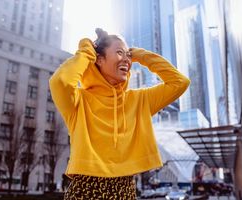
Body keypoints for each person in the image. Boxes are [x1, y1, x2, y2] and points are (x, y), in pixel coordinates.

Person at [49, 28, 190, 199]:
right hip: (85, 190)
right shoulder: (78, 101)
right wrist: (87, 50)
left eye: (127, 55)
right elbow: (60, 81)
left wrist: (142, 56)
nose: (126, 59)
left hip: (125, 191)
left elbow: (180, 82)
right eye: (119, 53)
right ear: (99, 59)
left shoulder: (139, 100)